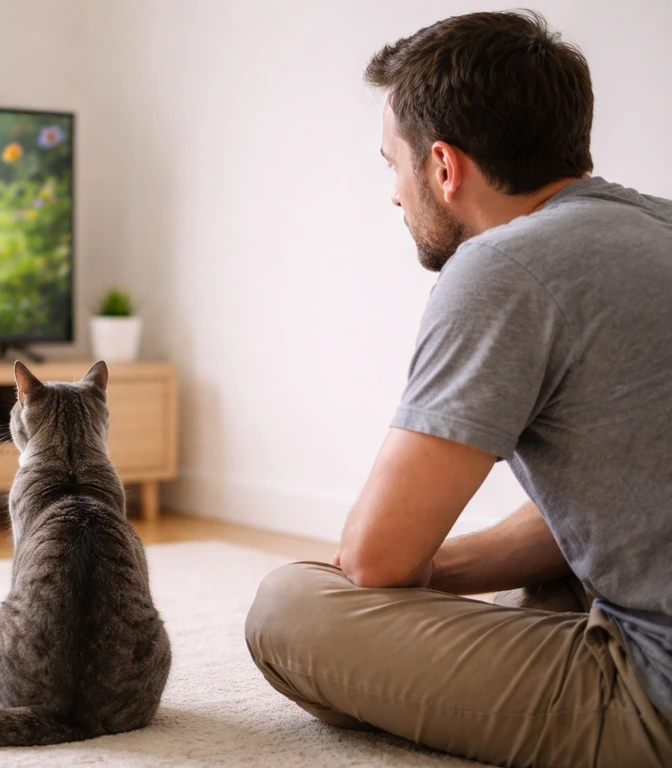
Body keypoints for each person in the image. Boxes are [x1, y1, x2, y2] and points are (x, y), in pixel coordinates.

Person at [245, 11, 672, 768]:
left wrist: (380, 583)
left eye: (392, 165)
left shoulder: (506, 266)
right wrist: (433, 575)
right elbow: (628, 505)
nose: (394, 195)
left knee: (289, 608)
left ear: (443, 166)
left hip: (657, 695)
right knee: (544, 584)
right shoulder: (656, 227)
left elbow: (377, 562)